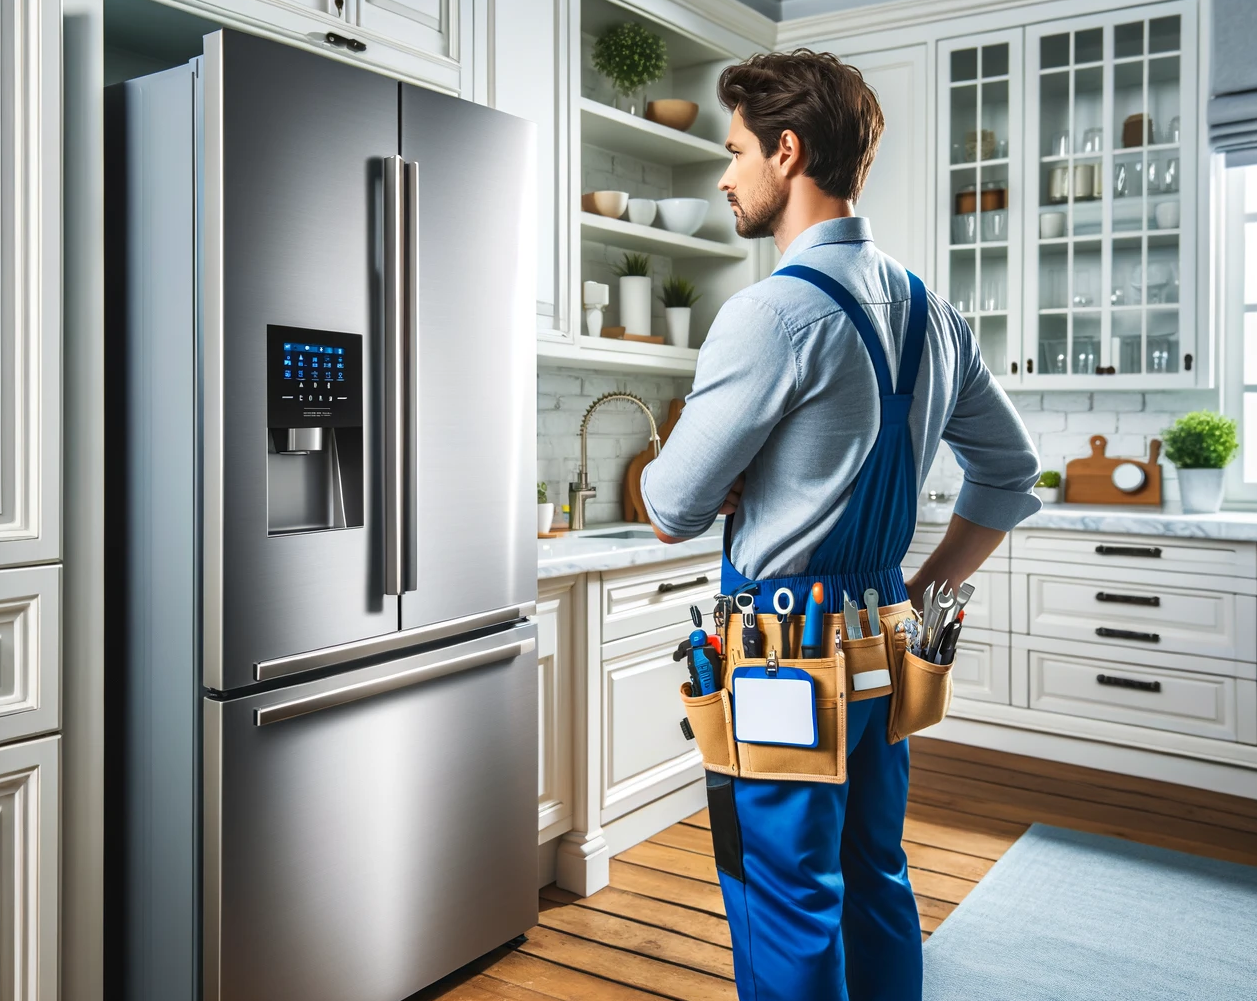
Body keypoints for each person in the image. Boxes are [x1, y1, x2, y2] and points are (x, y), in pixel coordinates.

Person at [639, 50, 1041, 1001]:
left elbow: (667, 507)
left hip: (780, 655)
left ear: (788, 151)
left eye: (735, 151)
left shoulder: (769, 314)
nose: (726, 175)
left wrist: (721, 471)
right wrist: (921, 590)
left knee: (783, 890)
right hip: (880, 642)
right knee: (874, 875)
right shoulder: (933, 314)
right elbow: (1011, 472)